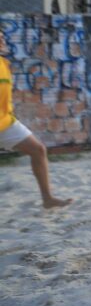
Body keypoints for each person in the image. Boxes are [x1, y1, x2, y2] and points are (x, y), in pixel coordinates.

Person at [0, 34, 72, 208]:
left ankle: (48, 199)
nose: (3, 41)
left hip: (5, 121)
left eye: (2, 37)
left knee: (38, 150)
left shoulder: (4, 64)